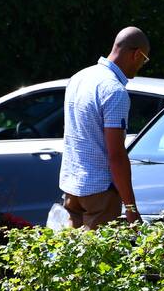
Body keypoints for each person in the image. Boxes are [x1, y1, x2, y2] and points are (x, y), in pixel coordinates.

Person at [59, 27, 150, 229]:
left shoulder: (79, 77)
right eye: (144, 60)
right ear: (136, 54)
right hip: (100, 192)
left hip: (72, 188)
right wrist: (131, 208)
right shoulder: (115, 91)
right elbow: (116, 155)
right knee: (99, 258)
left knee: (71, 256)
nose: (141, 66)